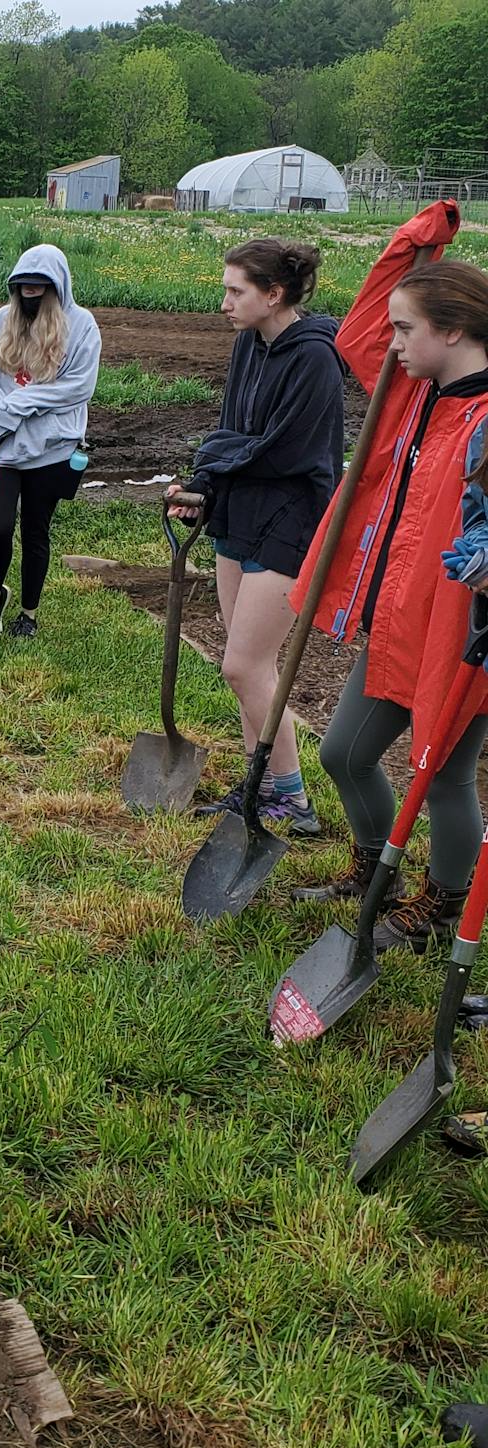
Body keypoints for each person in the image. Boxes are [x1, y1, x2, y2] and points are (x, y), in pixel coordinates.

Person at [290, 204, 488, 951]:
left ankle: (443, 907)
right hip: (400, 617)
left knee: (443, 775)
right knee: (343, 752)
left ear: (456, 331)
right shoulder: (414, 394)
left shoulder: (485, 423)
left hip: (460, 631)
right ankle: (376, 870)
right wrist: (412, 246)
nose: (394, 343)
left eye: (410, 330)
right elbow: (357, 333)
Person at [167, 240, 345, 837]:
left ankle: (292, 799)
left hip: (290, 518)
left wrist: (216, 463)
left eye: (236, 291)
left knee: (244, 667)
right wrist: (203, 483)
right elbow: (232, 430)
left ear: (274, 295)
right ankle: (261, 786)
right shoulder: (250, 344)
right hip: (240, 509)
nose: (224, 303)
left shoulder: (315, 358)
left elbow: (286, 451)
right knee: (251, 666)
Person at [0, 245, 100, 637]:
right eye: (23, 288)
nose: (30, 295)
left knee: (36, 529)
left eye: (39, 288)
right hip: (0, 445)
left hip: (51, 449)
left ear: (57, 288)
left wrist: (20, 404)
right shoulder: (1, 322)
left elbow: (77, 387)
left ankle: (29, 613)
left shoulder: (82, 326)